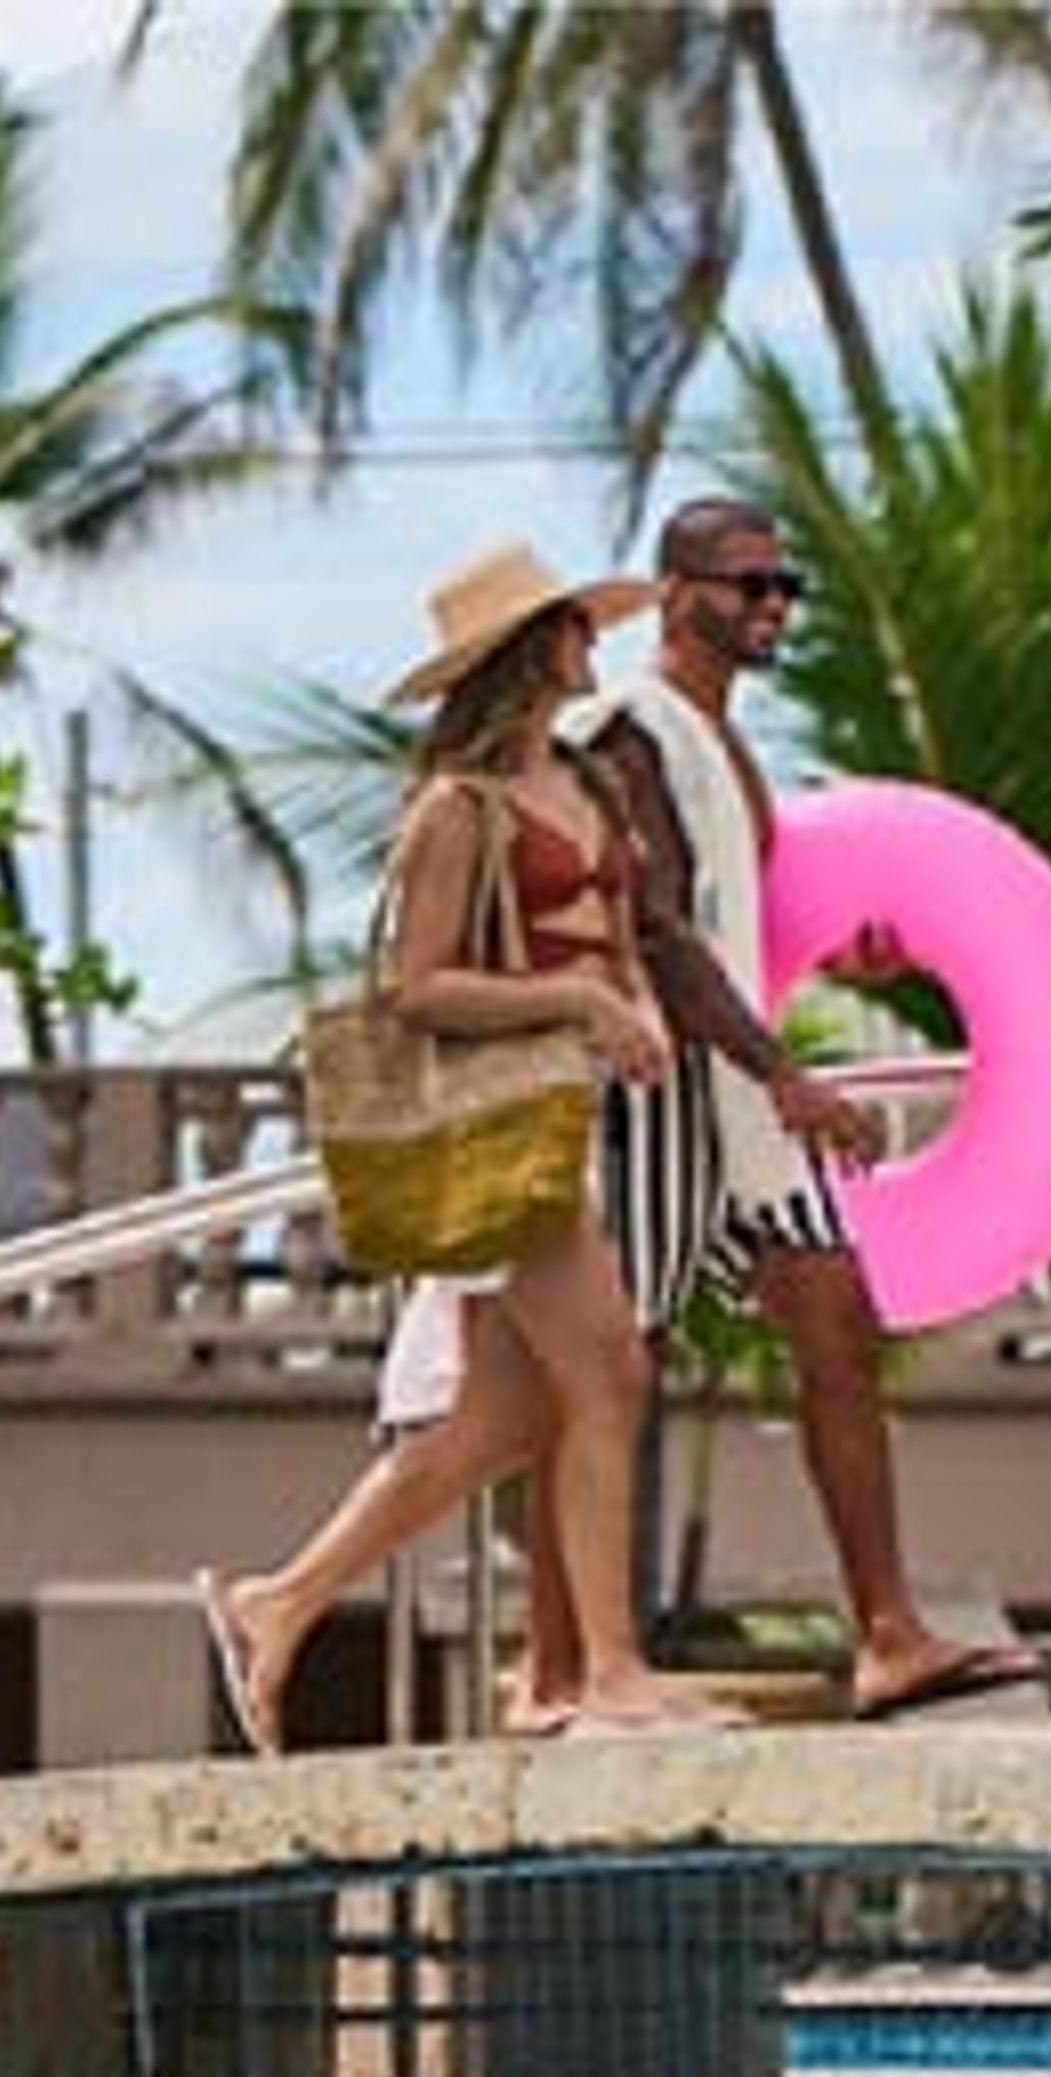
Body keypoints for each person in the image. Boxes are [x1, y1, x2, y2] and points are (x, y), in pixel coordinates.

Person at [198, 541, 745, 1750]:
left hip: (577, 1119)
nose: (586, 640)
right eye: (567, 626)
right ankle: (608, 1671)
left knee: (505, 1423)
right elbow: (418, 987)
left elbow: (616, 934)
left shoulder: (586, 785)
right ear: (530, 650)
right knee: (608, 1372)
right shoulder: (459, 808)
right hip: (504, 1120)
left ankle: (275, 1602)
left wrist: (631, 1005)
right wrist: (580, 1007)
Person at [555, 494, 1051, 1722]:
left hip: (734, 1098)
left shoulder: (724, 748)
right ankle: (560, 1668)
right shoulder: (630, 734)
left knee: (836, 1322)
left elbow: (732, 919)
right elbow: (656, 933)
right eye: (746, 586)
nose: (771, 608)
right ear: (675, 594)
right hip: (660, 1095)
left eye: (785, 589)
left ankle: (887, 1633)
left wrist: (845, 952)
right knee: (614, 1370)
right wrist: (784, 1071)